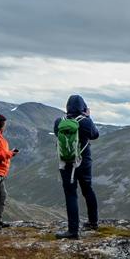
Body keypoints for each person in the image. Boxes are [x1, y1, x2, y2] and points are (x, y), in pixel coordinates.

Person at [52, 94, 100, 239]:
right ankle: (93, 222)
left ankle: (73, 231)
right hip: (84, 161)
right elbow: (95, 135)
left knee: (71, 195)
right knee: (88, 190)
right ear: (83, 107)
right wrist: (88, 117)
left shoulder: (59, 121)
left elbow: (57, 134)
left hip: (66, 163)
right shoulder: (85, 122)